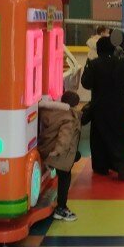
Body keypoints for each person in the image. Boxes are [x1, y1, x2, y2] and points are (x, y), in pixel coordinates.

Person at [81, 35, 124, 180]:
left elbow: (86, 84)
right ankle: (122, 167)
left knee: (99, 138)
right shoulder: (123, 63)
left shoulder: (94, 64)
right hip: (119, 107)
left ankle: (101, 167)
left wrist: (87, 66)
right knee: (120, 138)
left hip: (99, 107)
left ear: (98, 50)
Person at [38, 90, 82, 221]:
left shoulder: (52, 112)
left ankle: (61, 207)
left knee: (74, 159)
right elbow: (64, 137)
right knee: (65, 178)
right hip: (60, 153)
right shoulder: (69, 118)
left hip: (47, 147)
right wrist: (57, 151)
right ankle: (61, 208)